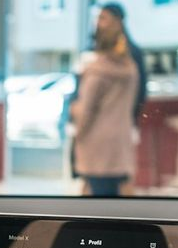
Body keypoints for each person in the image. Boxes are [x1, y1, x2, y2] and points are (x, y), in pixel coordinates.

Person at [68, 3, 142, 197]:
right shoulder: (131, 66)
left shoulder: (96, 71)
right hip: (120, 140)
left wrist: (74, 111)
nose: (98, 23)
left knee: (94, 204)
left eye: (103, 18)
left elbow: (85, 110)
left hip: (96, 144)